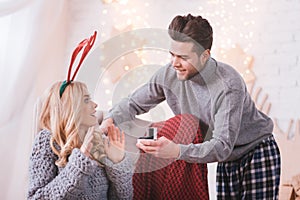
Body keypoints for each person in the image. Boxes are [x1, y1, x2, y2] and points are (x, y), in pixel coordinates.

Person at [100, 14, 281, 199]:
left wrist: (176, 151)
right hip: (227, 160)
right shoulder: (168, 75)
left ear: (205, 55)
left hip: (256, 152)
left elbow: (222, 145)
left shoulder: (228, 85)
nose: (174, 63)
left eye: (183, 57)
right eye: (172, 54)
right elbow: (134, 103)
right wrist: (110, 119)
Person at [27, 32, 133, 200]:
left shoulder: (98, 140)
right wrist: (81, 161)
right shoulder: (47, 141)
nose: (95, 105)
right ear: (70, 108)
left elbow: (123, 198)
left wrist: (118, 163)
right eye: (86, 100)